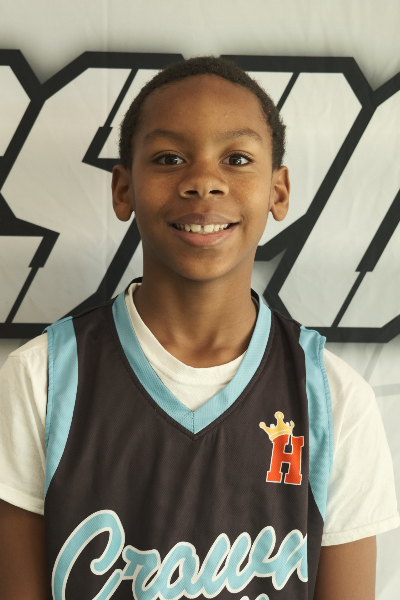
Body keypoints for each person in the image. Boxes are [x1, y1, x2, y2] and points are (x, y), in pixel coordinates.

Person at [0, 56, 398, 600]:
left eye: (237, 159)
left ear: (278, 191)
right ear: (123, 189)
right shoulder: (41, 378)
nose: (204, 181)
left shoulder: (333, 398)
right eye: (169, 158)